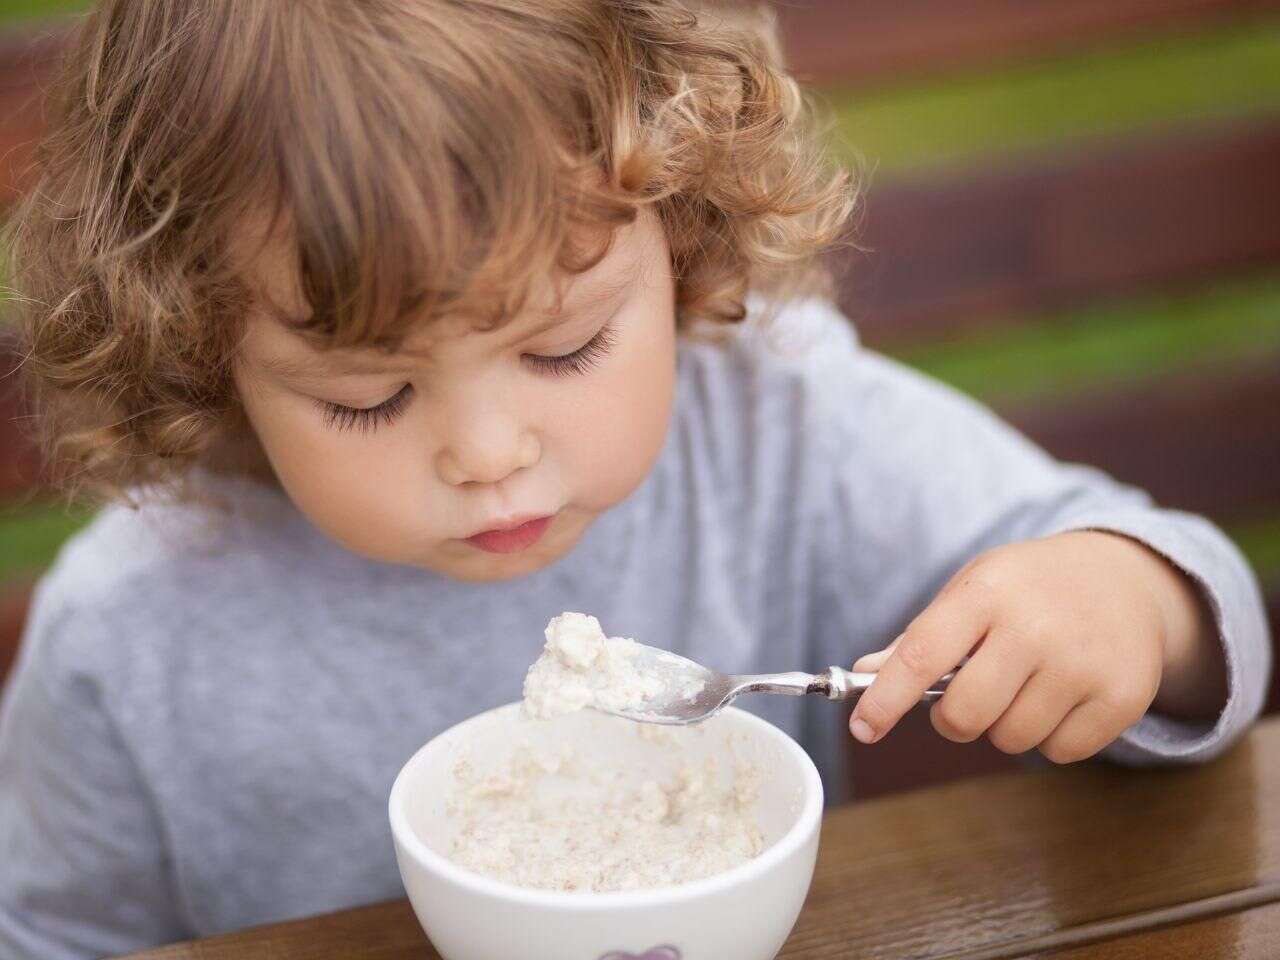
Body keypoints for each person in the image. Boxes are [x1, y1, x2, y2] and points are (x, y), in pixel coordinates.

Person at [0, 1, 1270, 956]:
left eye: (564, 347)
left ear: (679, 231)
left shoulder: (772, 424)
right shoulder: (132, 640)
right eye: (366, 396)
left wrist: (1121, 605)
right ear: (201, 349)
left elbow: (1185, 597)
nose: (488, 453)